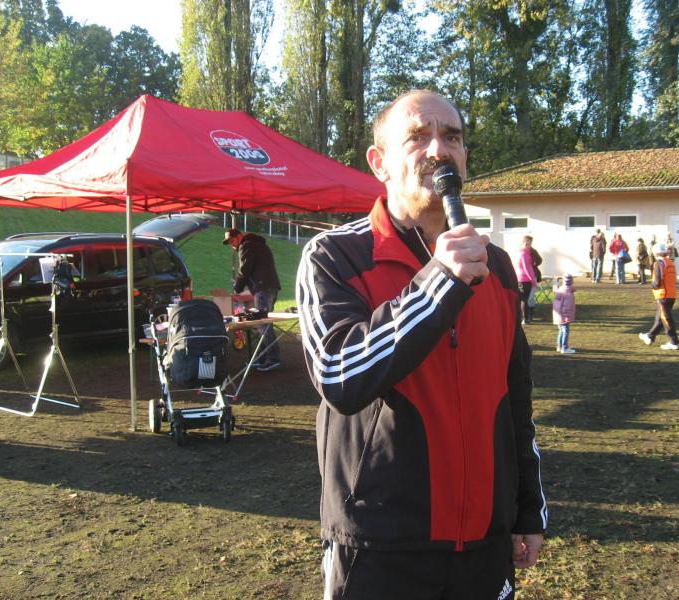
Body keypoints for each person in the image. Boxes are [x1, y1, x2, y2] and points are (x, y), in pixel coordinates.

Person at [296, 90, 547, 600]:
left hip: (484, 541)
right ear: (379, 163)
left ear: (465, 157)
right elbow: (339, 376)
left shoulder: (497, 267)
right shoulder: (334, 256)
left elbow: (515, 400)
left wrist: (527, 509)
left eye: (452, 137)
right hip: (380, 543)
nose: (438, 149)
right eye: (417, 136)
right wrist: (440, 282)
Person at [222, 228, 282, 371]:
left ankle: (273, 359)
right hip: (270, 286)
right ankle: (262, 357)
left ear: (239, 236)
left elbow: (245, 270)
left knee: (262, 325)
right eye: (229, 242)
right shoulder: (258, 244)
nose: (232, 245)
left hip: (263, 288)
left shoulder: (246, 245)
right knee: (263, 324)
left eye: (232, 240)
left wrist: (237, 288)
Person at [638, 243, 679, 350]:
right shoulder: (669, 262)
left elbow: (657, 281)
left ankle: (674, 341)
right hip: (671, 293)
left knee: (665, 318)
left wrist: (652, 285)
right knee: (660, 317)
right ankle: (650, 336)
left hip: (663, 294)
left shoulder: (659, 263)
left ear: (655, 252)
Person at [515, 235, 538, 324]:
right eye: (527, 243)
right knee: (524, 300)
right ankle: (524, 318)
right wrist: (532, 280)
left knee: (522, 299)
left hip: (521, 279)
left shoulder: (521, 253)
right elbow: (526, 268)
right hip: (525, 280)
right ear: (524, 243)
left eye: (530, 243)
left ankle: (523, 318)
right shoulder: (524, 254)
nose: (529, 246)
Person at [552, 274, 576, 354]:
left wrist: (555, 281)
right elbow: (568, 306)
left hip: (558, 314)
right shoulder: (568, 293)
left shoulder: (560, 289)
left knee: (561, 331)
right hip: (564, 315)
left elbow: (554, 288)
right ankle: (564, 348)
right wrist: (567, 317)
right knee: (565, 331)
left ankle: (559, 346)